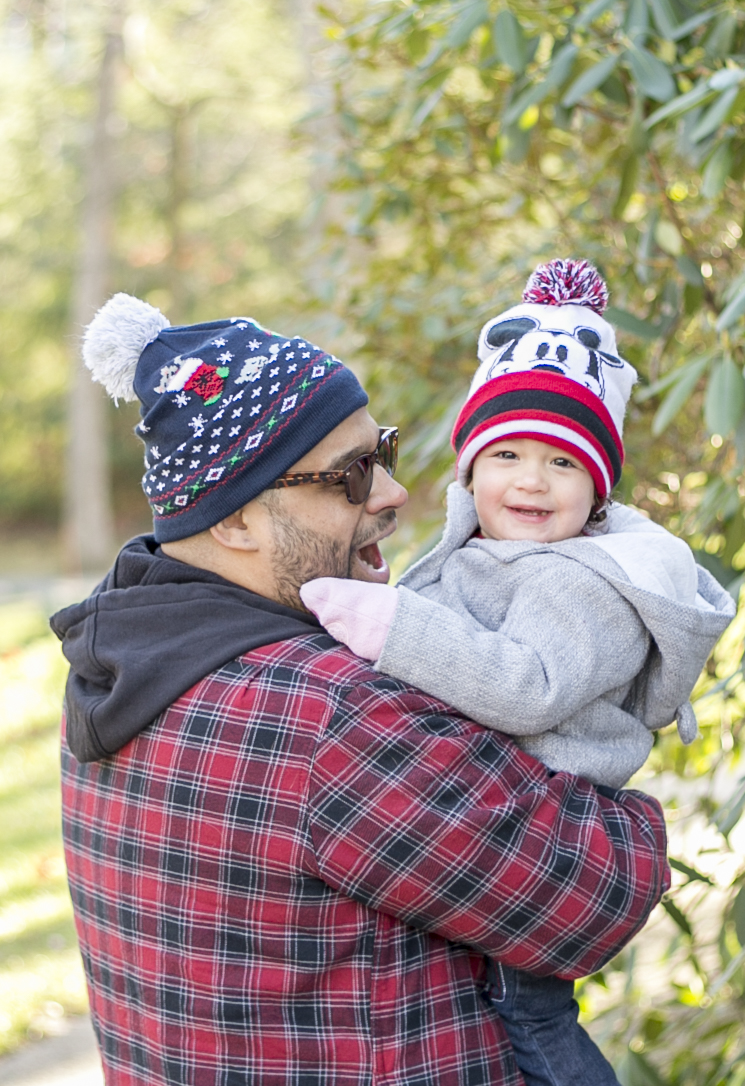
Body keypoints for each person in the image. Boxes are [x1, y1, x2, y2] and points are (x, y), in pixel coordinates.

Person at [52, 289, 672, 1086]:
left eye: (379, 451)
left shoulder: (115, 667)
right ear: (233, 520)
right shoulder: (332, 717)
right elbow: (597, 895)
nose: (389, 493)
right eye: (349, 475)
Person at [300, 259, 736, 1086]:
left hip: (539, 834)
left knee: (533, 1029)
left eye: (562, 463)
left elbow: (521, 684)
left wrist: (387, 623)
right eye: (506, 454)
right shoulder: (478, 544)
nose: (530, 480)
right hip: (484, 814)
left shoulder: (589, 581)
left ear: (597, 487)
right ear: (469, 466)